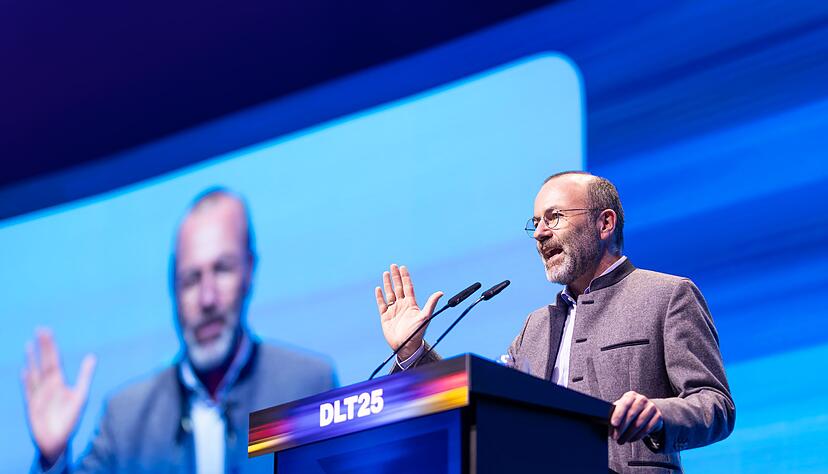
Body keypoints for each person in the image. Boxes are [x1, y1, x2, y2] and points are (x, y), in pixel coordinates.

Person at [375, 171, 735, 473]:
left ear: (604, 222)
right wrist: (414, 351)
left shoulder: (666, 294)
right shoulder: (535, 326)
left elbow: (715, 405)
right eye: (535, 223)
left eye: (554, 217)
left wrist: (659, 413)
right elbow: (481, 406)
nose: (540, 233)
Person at [22, 188, 337, 473]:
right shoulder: (125, 419)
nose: (207, 298)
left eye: (222, 269)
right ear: (173, 290)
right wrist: (53, 459)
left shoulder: (307, 386)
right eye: (190, 280)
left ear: (249, 271)